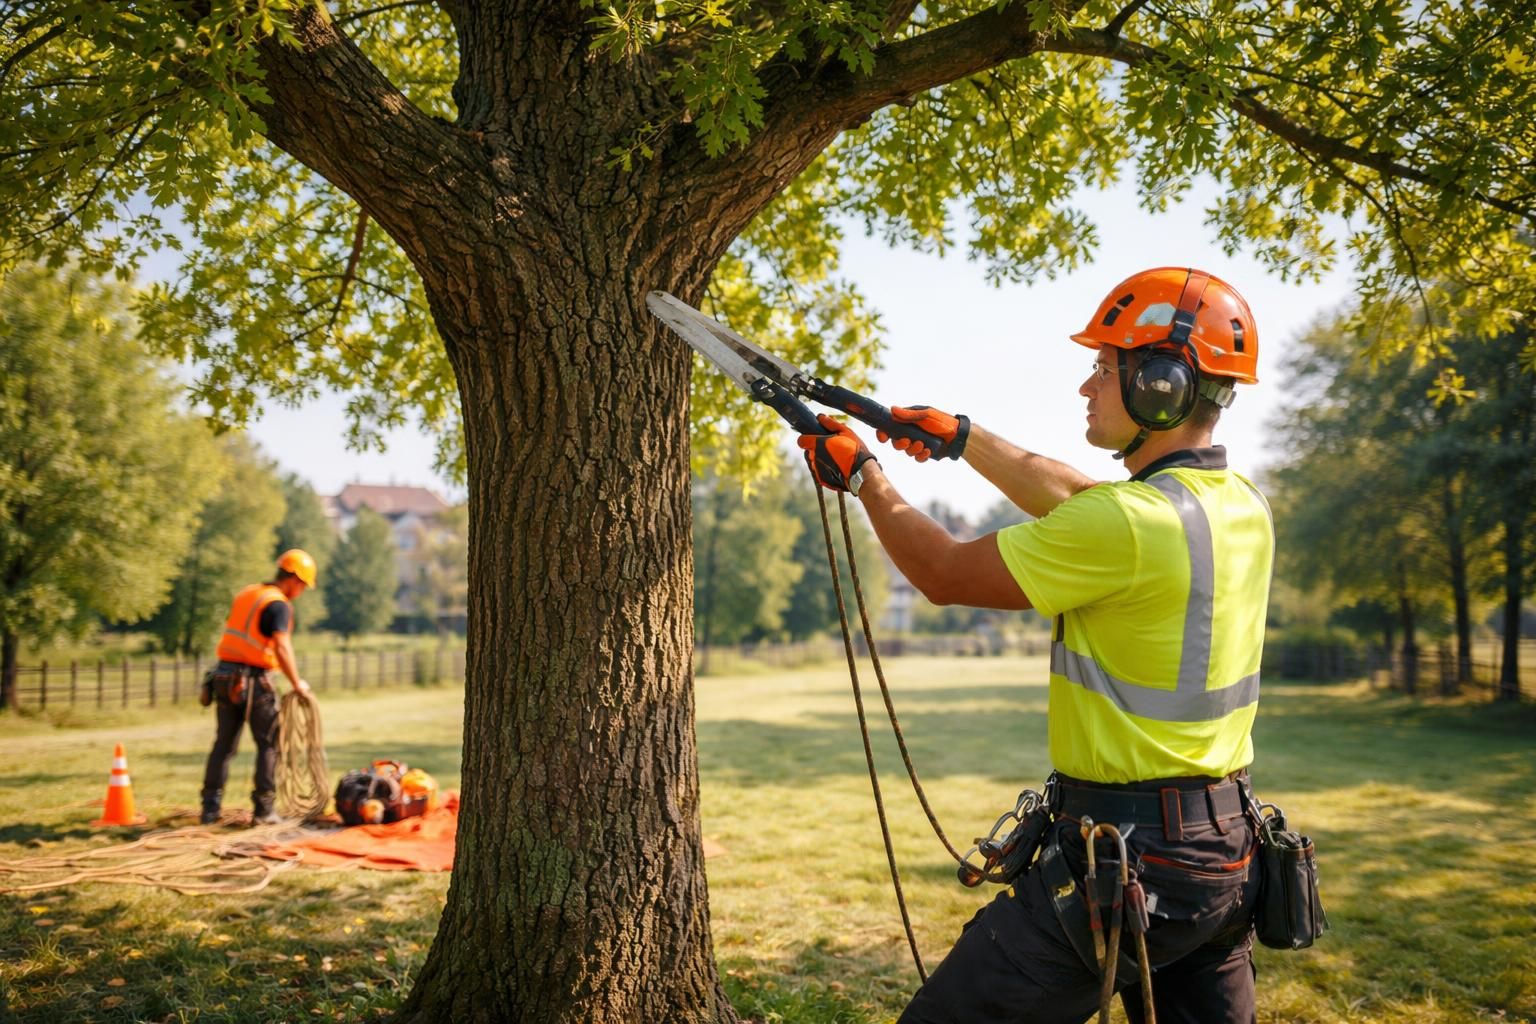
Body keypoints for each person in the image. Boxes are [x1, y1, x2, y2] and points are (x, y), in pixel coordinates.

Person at [797, 267, 1274, 1024]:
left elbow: (944, 572)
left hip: (1132, 857)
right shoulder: (1237, 504)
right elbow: (1079, 497)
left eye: (1104, 369)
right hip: (1224, 852)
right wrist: (963, 438)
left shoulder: (1126, 524)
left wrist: (867, 479)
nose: (1087, 386)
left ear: (1162, 385)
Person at [200, 549, 319, 826]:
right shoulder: (278, 605)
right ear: (294, 579)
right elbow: (282, 647)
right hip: (253, 681)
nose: (301, 592)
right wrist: (297, 684)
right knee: (270, 744)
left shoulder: (248, 594)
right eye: (303, 586)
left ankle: (209, 810)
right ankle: (264, 811)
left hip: (224, 677)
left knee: (223, 745)